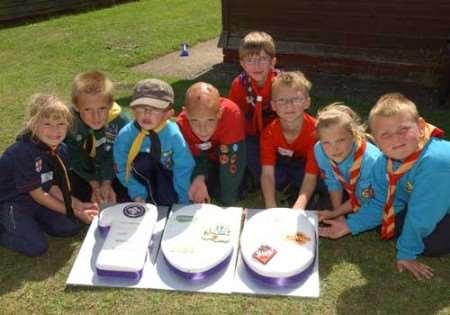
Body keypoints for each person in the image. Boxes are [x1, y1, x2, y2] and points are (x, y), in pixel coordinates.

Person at [319, 93, 450, 280]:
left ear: (420, 127)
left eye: (403, 129)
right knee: (392, 223)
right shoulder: (384, 163)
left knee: (432, 244)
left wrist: (407, 253)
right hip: (425, 202)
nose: (395, 139)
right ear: (376, 141)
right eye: (385, 135)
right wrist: (349, 225)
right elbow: (381, 202)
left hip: (436, 203)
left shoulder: (436, 162)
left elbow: (423, 215)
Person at [0, 94, 99, 256]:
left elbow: (52, 186)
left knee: (70, 227)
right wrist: (74, 212)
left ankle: (29, 224)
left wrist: (77, 205)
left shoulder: (61, 149)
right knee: (36, 246)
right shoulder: (22, 152)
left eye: (61, 123)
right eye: (47, 124)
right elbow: (39, 195)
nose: (55, 130)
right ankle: (6, 226)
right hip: (13, 202)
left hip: (39, 199)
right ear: (31, 125)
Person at [113, 78, 194, 205]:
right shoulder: (126, 136)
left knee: (168, 200)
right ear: (133, 111)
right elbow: (121, 167)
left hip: (168, 179)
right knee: (143, 160)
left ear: (168, 114)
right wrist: (137, 193)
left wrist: (183, 199)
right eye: (142, 108)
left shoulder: (173, 134)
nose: (147, 113)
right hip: (138, 180)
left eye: (155, 109)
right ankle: (146, 198)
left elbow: (184, 166)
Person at [260, 71, 324, 208]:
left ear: (307, 102)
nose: (289, 105)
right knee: (256, 163)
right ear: (273, 105)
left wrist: (298, 208)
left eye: (296, 99)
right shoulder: (269, 132)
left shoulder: (316, 133)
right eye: (282, 100)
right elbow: (267, 174)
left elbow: (310, 175)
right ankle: (291, 188)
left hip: (307, 167)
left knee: (324, 178)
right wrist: (270, 207)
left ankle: (301, 193)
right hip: (285, 164)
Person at [65, 71, 130, 206]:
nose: (96, 117)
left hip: (114, 170)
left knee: (126, 194)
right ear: (76, 107)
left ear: (111, 104)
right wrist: (94, 185)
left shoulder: (121, 123)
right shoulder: (69, 123)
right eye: (88, 110)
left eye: (102, 108)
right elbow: (76, 157)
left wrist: (107, 183)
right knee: (70, 189)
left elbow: (117, 155)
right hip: (85, 172)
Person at [177, 82, 246, 206]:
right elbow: (190, 160)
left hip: (229, 151)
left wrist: (227, 202)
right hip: (207, 157)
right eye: (195, 120)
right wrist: (198, 177)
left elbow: (232, 160)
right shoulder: (181, 125)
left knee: (231, 189)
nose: (203, 129)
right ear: (186, 114)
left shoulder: (231, 114)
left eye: (210, 120)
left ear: (219, 113)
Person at [314, 103, 382, 221]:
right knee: (322, 209)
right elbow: (332, 181)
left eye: (340, 140)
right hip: (350, 186)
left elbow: (363, 197)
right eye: (326, 142)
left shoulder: (371, 160)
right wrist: (338, 215)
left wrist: (334, 213)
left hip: (373, 193)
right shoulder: (320, 149)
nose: (334, 149)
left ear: (354, 135)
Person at [228, 31, 279, 185]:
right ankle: (257, 178)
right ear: (242, 64)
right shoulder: (239, 85)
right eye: (250, 60)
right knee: (248, 152)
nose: (257, 65)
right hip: (252, 135)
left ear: (273, 62)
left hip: (278, 133)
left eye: (263, 59)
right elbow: (236, 116)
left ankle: (280, 180)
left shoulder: (281, 83)